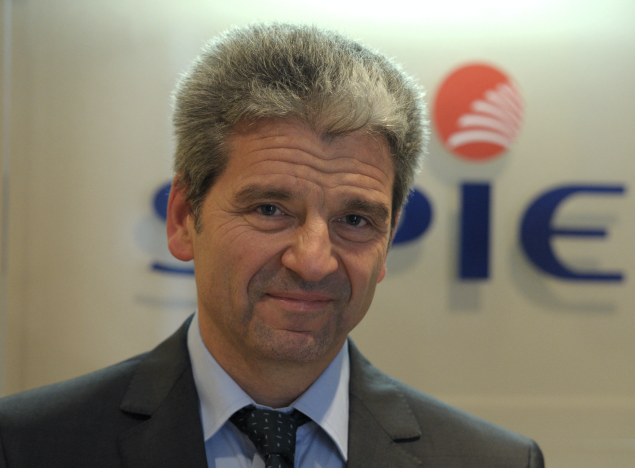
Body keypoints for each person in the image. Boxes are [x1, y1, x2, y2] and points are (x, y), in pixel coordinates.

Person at [0, 23, 544, 467]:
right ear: (185, 218)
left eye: (355, 220)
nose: (313, 261)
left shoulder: (491, 461)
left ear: (388, 241)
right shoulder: (27, 447)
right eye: (269, 210)